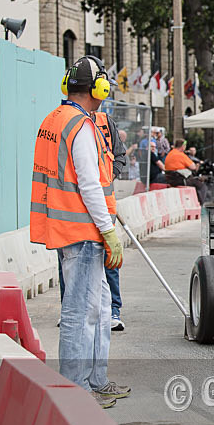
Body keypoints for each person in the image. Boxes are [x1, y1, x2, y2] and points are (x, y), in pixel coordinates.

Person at [31, 55, 129, 408]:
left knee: (100, 308)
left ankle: (95, 381)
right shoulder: (81, 125)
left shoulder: (54, 119)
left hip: (71, 227)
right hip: (82, 230)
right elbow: (89, 183)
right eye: (104, 88)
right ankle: (76, 389)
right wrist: (108, 230)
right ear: (97, 88)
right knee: (79, 312)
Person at [91, 110, 128, 331]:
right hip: (75, 209)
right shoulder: (68, 122)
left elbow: (120, 156)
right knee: (68, 261)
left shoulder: (106, 122)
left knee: (109, 258)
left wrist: (107, 177)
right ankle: (69, 307)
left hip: (105, 205)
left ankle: (113, 309)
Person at [164, 139, 208, 203]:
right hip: (181, 180)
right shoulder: (181, 155)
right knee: (201, 186)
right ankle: (200, 204)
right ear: (183, 146)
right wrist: (197, 165)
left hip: (171, 179)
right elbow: (193, 167)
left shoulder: (169, 154)